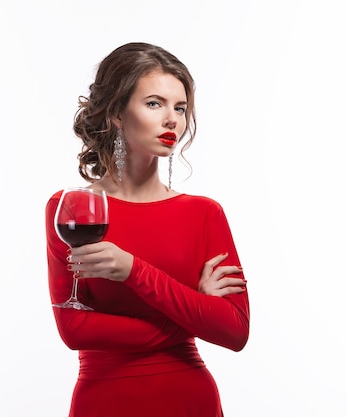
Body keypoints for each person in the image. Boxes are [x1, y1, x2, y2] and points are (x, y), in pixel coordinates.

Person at [44, 42, 249, 417]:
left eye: (181, 107)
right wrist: (193, 310)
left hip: (189, 398)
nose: (172, 119)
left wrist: (133, 271)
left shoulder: (204, 213)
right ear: (118, 114)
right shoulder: (73, 208)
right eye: (155, 103)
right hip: (103, 401)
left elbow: (234, 331)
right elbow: (74, 329)